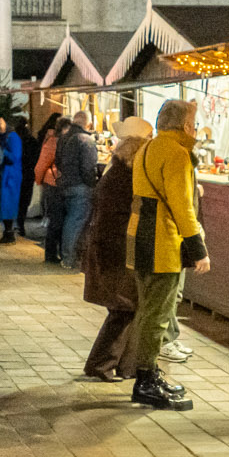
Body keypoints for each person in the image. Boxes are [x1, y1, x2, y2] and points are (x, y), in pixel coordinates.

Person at [124, 98, 206, 411]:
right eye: (194, 123)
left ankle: (149, 374)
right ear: (185, 125)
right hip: (161, 242)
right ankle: (146, 380)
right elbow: (182, 205)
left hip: (139, 237)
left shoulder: (148, 147)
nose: (195, 129)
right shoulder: (177, 153)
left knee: (149, 311)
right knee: (158, 314)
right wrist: (198, 248)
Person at [78, 117, 153, 381]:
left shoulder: (116, 172)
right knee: (125, 308)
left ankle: (124, 365)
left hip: (112, 251)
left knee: (127, 308)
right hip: (116, 253)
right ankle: (102, 364)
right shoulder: (127, 177)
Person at [45, 116, 99, 269]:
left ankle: (67, 256)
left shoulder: (64, 137)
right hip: (80, 185)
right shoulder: (85, 140)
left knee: (70, 221)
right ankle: (69, 259)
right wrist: (92, 184)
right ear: (88, 123)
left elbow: (58, 161)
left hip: (65, 184)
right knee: (75, 222)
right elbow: (88, 167)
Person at [0, 114, 26, 244]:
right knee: (6, 204)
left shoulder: (13, 137)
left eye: (0, 123)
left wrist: (1, 150)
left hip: (11, 176)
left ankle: (9, 233)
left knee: (8, 204)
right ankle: (7, 232)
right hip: (7, 175)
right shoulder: (5, 137)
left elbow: (14, 157)